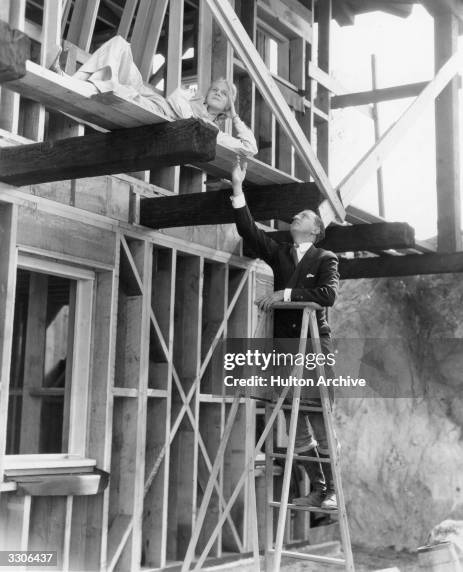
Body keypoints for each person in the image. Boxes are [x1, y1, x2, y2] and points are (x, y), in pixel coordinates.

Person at [231, 159, 340, 510]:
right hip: (283, 350)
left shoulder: (326, 258)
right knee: (297, 427)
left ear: (315, 229)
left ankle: (333, 490)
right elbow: (250, 231)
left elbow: (328, 296)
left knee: (320, 422)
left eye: (304, 216)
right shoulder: (280, 254)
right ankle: (318, 487)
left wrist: (286, 295)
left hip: (312, 347)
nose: (297, 217)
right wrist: (237, 188)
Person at [71, 35, 257, 156]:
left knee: (118, 91)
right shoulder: (190, 98)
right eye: (214, 89)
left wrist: (235, 116)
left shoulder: (211, 132)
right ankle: (76, 81)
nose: (217, 92)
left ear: (227, 107)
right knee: (120, 43)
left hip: (152, 108)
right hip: (148, 95)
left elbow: (250, 148)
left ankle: (76, 84)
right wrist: (187, 95)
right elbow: (176, 100)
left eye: (224, 94)